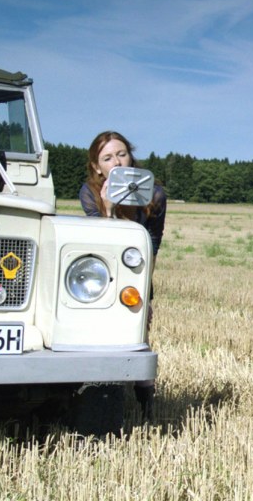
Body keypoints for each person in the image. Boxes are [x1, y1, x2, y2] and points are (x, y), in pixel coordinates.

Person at [78, 130, 166, 414]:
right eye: (107, 158)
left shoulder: (154, 194)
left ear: (130, 157)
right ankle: (95, 399)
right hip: (101, 273)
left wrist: (145, 294)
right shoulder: (89, 192)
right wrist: (108, 209)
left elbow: (151, 246)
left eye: (121, 154)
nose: (116, 162)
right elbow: (100, 245)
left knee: (139, 336)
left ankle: (146, 406)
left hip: (136, 272)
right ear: (97, 167)